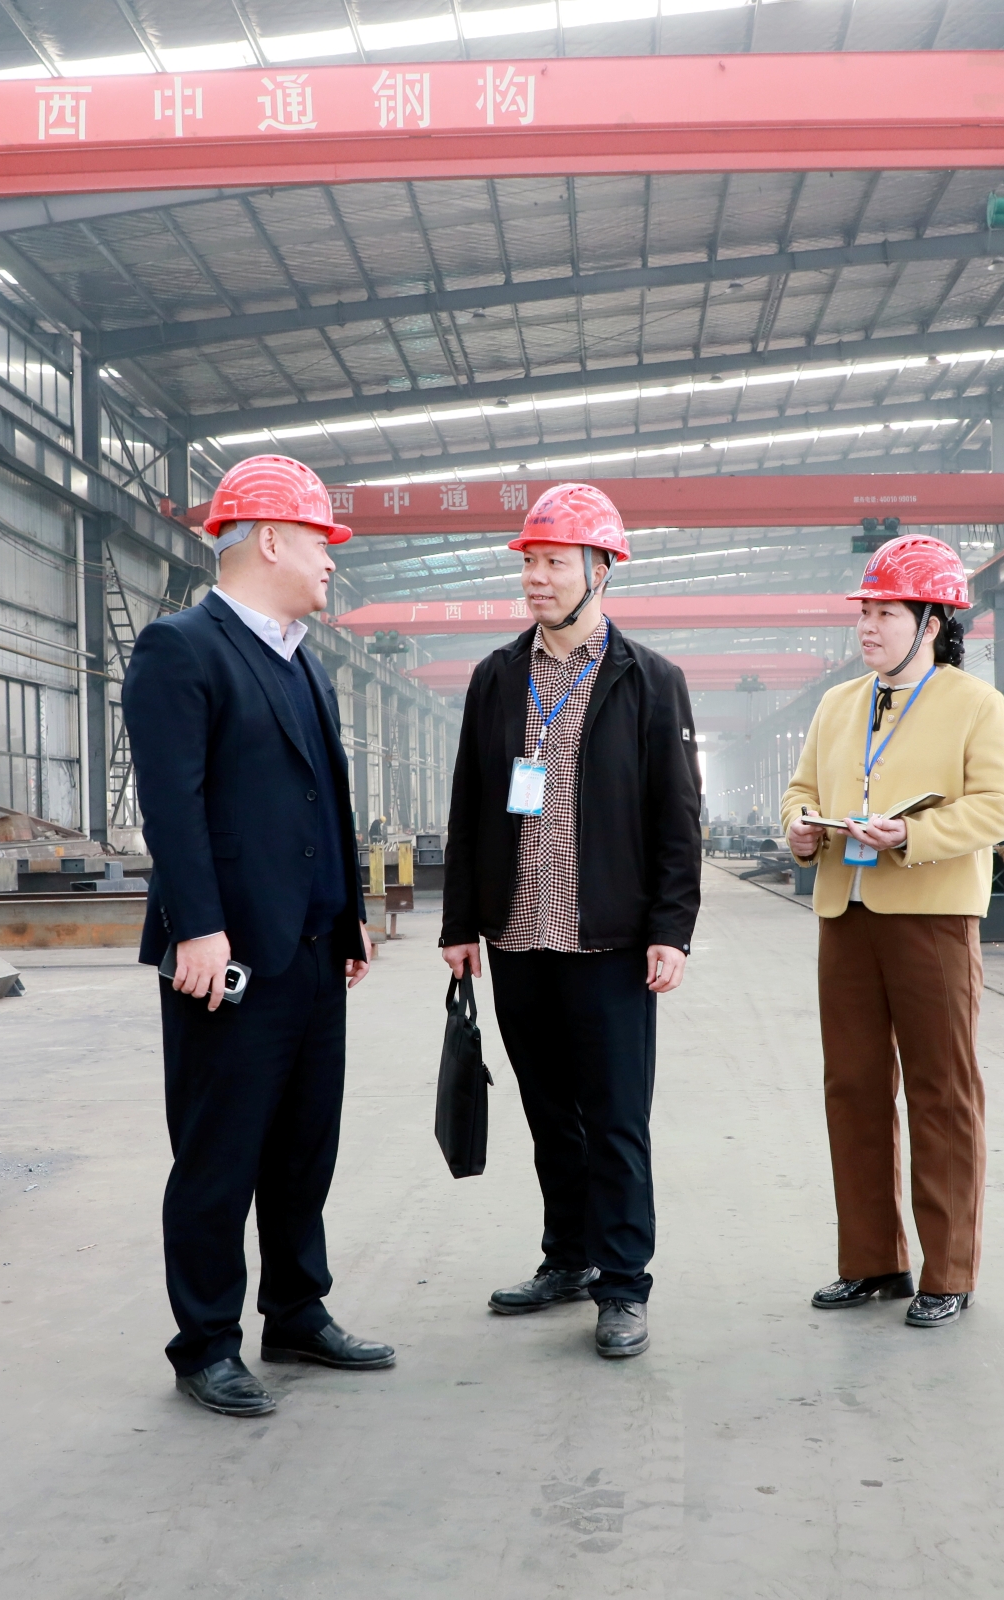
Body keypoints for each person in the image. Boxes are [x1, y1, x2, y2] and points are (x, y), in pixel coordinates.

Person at [122, 453, 390, 1420]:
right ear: (270, 541)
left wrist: (349, 919)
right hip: (228, 954)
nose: (332, 562)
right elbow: (172, 804)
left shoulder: (305, 661)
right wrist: (197, 927)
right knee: (220, 1152)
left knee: (303, 1148)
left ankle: (297, 1312)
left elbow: (328, 802)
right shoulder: (181, 649)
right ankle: (205, 1342)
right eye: (321, 543)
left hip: (311, 949)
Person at [441, 483, 703, 1361]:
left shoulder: (650, 681)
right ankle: (568, 1258)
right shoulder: (496, 677)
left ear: (602, 570)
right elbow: (470, 804)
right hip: (518, 936)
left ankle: (623, 1283)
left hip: (609, 941)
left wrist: (671, 928)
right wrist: (460, 923)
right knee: (550, 1114)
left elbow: (678, 819)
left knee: (616, 1120)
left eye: (554, 562)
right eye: (529, 562)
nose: (536, 578)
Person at [781, 535, 1004, 1330]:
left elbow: (1000, 806)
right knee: (851, 1087)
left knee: (940, 1091)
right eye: (865, 612)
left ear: (931, 623)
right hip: (845, 913)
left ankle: (948, 1270)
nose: (868, 626)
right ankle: (871, 1262)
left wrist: (913, 836)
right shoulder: (838, 705)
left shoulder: (975, 705)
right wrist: (800, 828)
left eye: (886, 613)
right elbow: (801, 788)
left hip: (932, 915)